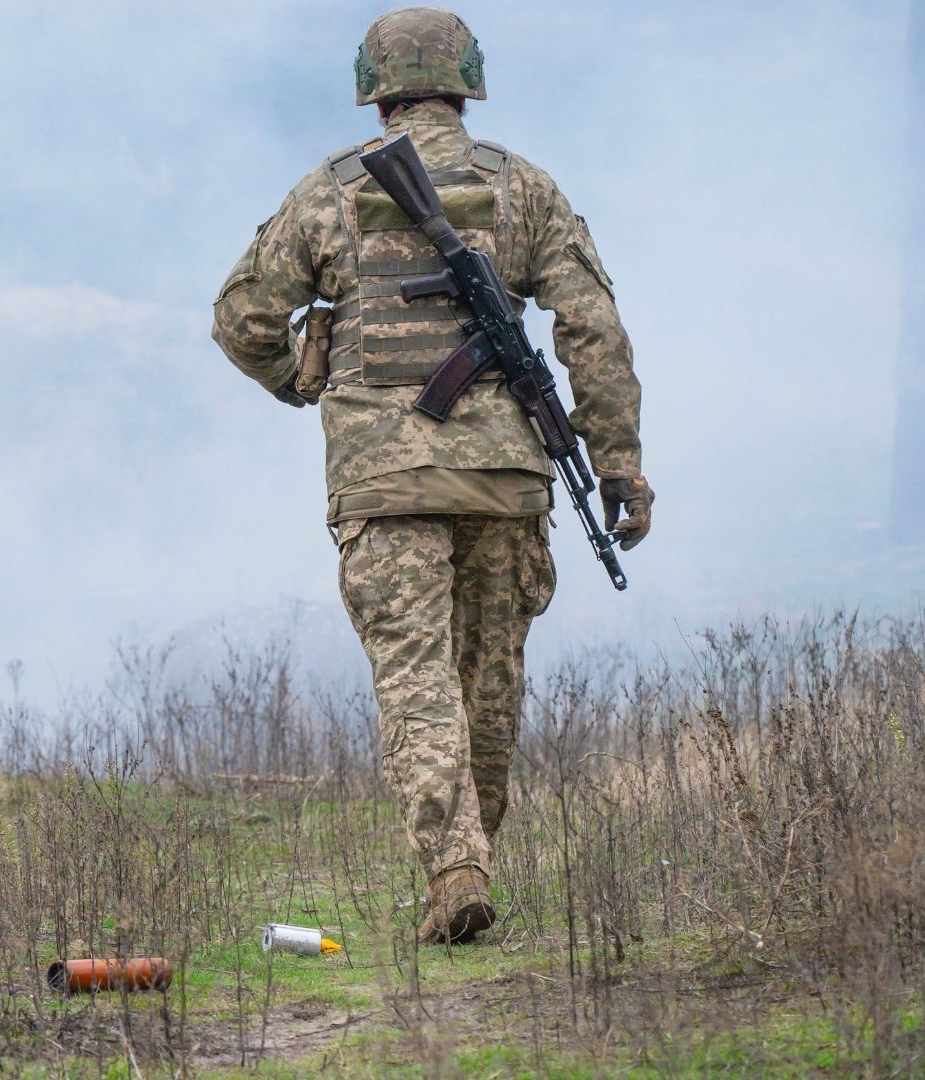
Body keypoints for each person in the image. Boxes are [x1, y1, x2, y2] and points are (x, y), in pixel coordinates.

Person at [210, 6, 653, 944]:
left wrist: (302, 373)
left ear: (375, 96)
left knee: (418, 680)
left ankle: (457, 869)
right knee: (488, 682)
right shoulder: (521, 188)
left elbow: (242, 319)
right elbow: (595, 332)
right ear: (466, 86)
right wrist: (618, 463)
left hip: (384, 483)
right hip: (503, 480)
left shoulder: (327, 192)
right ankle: (469, 865)